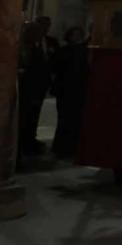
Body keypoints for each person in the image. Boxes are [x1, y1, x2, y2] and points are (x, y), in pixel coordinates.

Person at [51, 25, 89, 159]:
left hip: (78, 90)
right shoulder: (64, 51)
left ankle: (72, 146)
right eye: (74, 34)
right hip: (65, 90)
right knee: (64, 119)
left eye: (79, 34)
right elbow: (55, 67)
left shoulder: (83, 51)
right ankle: (62, 147)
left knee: (75, 120)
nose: (76, 37)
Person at [17, 17, 52, 158]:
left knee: (31, 120)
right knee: (22, 121)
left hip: (36, 89)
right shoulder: (23, 47)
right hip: (26, 90)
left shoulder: (36, 47)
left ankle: (28, 145)